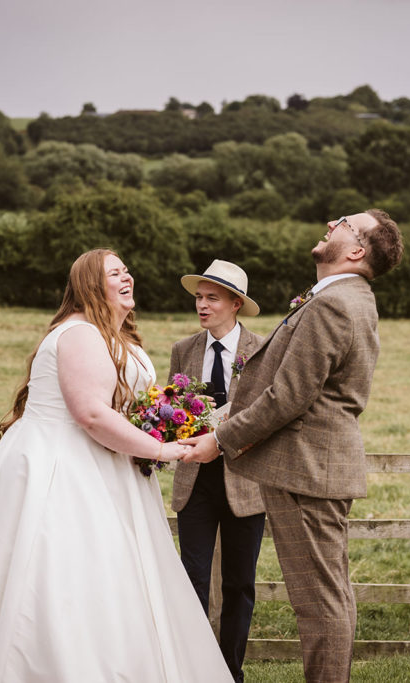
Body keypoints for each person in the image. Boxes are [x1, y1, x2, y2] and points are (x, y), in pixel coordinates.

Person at [0, 248, 233, 683]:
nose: (128, 276)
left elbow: (116, 410)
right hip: (62, 467)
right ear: (89, 285)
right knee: (65, 571)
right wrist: (161, 450)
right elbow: (90, 414)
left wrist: (162, 425)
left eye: (127, 269)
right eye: (114, 272)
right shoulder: (81, 333)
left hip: (103, 464)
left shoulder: (115, 337)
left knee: (113, 572)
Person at [182, 210, 404, 683]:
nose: (332, 222)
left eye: (344, 222)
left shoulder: (334, 303)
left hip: (308, 471)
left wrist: (219, 441)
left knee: (319, 603)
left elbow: (289, 395)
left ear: (357, 249)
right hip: (315, 468)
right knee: (329, 596)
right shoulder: (347, 297)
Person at [168, 260, 265, 683]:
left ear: (235, 304)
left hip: (246, 482)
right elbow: (173, 409)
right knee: (191, 581)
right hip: (195, 483)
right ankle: (191, 670)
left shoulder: (262, 350)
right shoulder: (183, 349)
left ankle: (230, 673)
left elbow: (268, 414)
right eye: (198, 297)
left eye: (212, 298)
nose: (202, 306)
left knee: (239, 586)